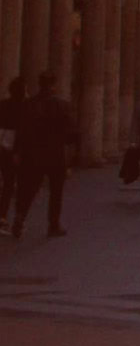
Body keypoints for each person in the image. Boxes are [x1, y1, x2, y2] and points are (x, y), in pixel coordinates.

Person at [11, 73, 76, 237]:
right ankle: (53, 224)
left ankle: (20, 216)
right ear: (53, 85)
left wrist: (18, 151)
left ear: (40, 85)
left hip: (33, 153)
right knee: (56, 191)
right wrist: (70, 156)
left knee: (28, 188)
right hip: (55, 153)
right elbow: (71, 133)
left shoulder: (29, 104)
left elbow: (21, 130)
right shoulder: (62, 105)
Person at [0, 77, 23, 215]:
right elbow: (21, 132)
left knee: (8, 182)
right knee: (9, 183)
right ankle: (3, 214)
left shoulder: (2, 104)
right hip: (11, 148)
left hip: (2, 143)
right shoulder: (23, 108)